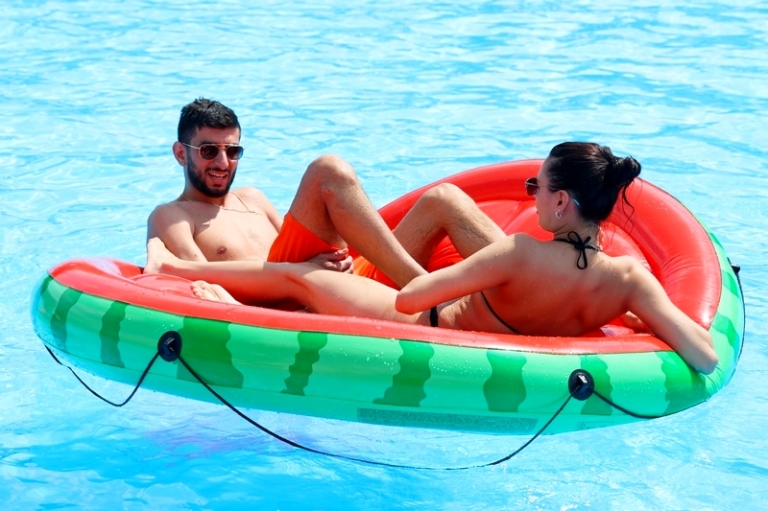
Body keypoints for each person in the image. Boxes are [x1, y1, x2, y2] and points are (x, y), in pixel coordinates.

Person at [145, 142, 718, 374]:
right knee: (440, 205)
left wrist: (473, 278)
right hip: (526, 329)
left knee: (303, 278)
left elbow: (413, 297)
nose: (531, 196)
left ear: (562, 202)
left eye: (536, 188)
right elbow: (703, 355)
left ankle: (176, 270)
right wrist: (637, 322)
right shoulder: (629, 279)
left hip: (433, 322)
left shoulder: (518, 254)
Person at [148, 97, 478, 291]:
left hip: (340, 283)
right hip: (294, 302)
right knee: (327, 171)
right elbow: (199, 282)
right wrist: (301, 272)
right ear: (180, 153)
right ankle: (430, 292)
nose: (223, 163)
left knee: (443, 199)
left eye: (233, 151)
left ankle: (507, 286)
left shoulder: (254, 199)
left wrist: (329, 263)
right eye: (209, 150)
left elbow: (304, 245)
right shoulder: (173, 215)